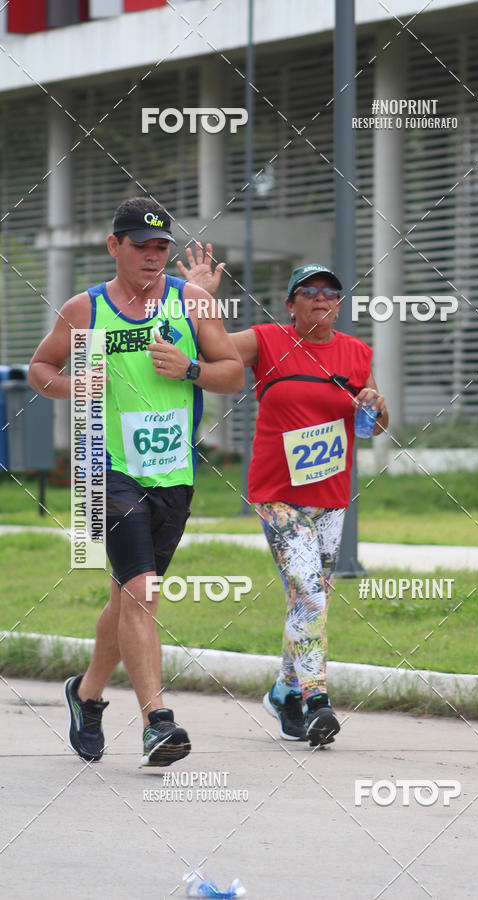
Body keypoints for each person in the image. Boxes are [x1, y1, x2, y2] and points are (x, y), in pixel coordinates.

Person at [28, 199, 244, 766]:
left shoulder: (192, 301)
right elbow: (40, 368)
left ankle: (86, 693)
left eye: (160, 248)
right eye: (140, 247)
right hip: (106, 467)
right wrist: (73, 386)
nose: (152, 257)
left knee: (129, 594)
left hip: (173, 471)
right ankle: (158, 722)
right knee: (143, 592)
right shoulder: (85, 309)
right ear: (113, 246)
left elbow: (233, 373)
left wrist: (191, 368)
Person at [178, 244, 389, 747]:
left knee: (310, 600)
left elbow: (376, 428)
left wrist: (373, 406)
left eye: (330, 293)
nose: (321, 299)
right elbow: (208, 352)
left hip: (332, 497)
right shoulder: (267, 341)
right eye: (309, 292)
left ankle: (284, 691)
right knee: (310, 595)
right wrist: (202, 299)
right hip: (278, 494)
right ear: (290, 304)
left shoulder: (357, 354)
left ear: (338, 305)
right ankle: (318, 701)